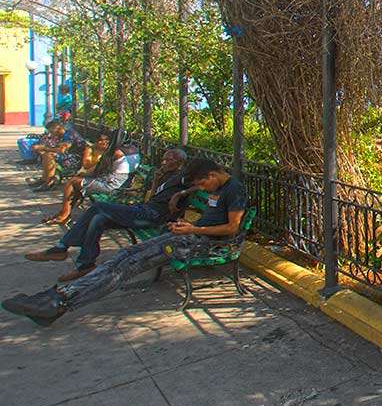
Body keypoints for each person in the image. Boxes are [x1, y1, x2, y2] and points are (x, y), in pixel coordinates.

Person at [3, 157, 247, 325]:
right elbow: (198, 193)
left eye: (203, 183)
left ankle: (61, 303)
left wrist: (193, 227)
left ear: (213, 175)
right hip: (188, 235)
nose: (202, 189)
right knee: (122, 256)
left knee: (126, 268)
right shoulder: (218, 184)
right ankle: (57, 296)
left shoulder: (234, 190)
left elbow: (232, 227)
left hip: (201, 244)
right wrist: (184, 196)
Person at [25, 149, 191, 282]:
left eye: (169, 160)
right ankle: (85, 264)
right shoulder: (165, 175)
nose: (164, 162)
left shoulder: (183, 177)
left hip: (153, 217)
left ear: (180, 162)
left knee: (98, 207)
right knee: (99, 219)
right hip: (144, 209)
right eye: (164, 159)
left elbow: (205, 184)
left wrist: (181, 193)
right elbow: (152, 198)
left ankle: (61, 248)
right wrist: (156, 182)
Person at [42, 135, 133, 225]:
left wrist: (83, 174)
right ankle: (64, 214)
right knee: (77, 182)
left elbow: (96, 170)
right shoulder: (131, 152)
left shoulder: (115, 153)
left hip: (113, 186)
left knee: (72, 182)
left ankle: (64, 215)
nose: (105, 143)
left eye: (107, 141)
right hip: (121, 184)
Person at [25, 120, 76, 191]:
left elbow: (61, 150)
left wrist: (44, 148)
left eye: (52, 132)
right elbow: (56, 147)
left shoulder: (70, 135)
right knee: (45, 154)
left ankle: (49, 183)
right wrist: (42, 148)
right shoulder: (61, 135)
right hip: (67, 156)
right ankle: (44, 179)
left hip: (74, 159)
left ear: (58, 128)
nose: (52, 134)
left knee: (49, 155)